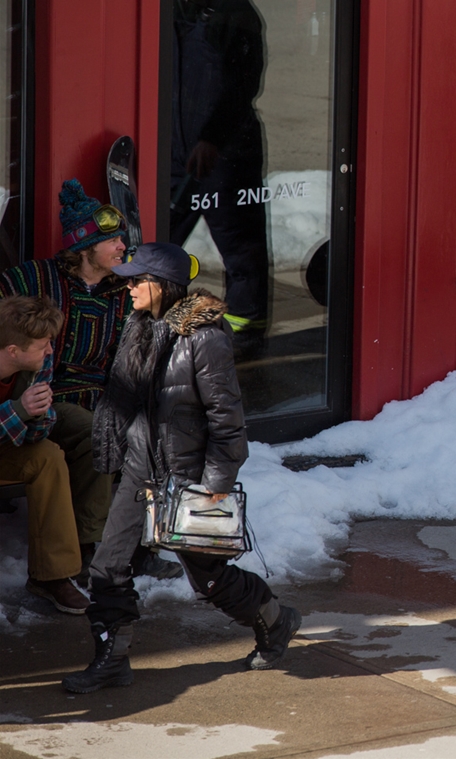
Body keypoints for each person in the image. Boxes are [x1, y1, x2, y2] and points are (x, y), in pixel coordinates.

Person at [62, 243, 300, 693]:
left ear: (163, 286)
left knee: (209, 579)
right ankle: (112, 660)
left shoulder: (205, 339)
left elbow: (227, 420)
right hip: (141, 470)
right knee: (107, 567)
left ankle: (275, 620)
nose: (129, 287)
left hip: (187, 477)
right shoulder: (139, 327)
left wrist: (216, 484)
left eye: (138, 280)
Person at [0, 180, 140, 581]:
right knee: (98, 434)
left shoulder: (125, 290)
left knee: (151, 431)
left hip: (107, 394)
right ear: (84, 246)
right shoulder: (35, 278)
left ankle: (139, 543)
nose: (122, 247)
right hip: (50, 394)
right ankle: (86, 546)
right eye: (112, 240)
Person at [168, 0, 270, 360]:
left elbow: (240, 86)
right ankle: (154, 325)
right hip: (177, 146)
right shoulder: (170, 2)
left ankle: (246, 330)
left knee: (239, 243)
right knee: (161, 239)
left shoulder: (231, 9)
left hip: (226, 150)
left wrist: (212, 138)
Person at [0, 296, 87, 614]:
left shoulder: (38, 363)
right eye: (43, 345)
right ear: (13, 350)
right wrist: (18, 410)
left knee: (47, 457)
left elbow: (36, 434)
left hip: (6, 446)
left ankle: (52, 576)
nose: (51, 351)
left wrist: (35, 416)